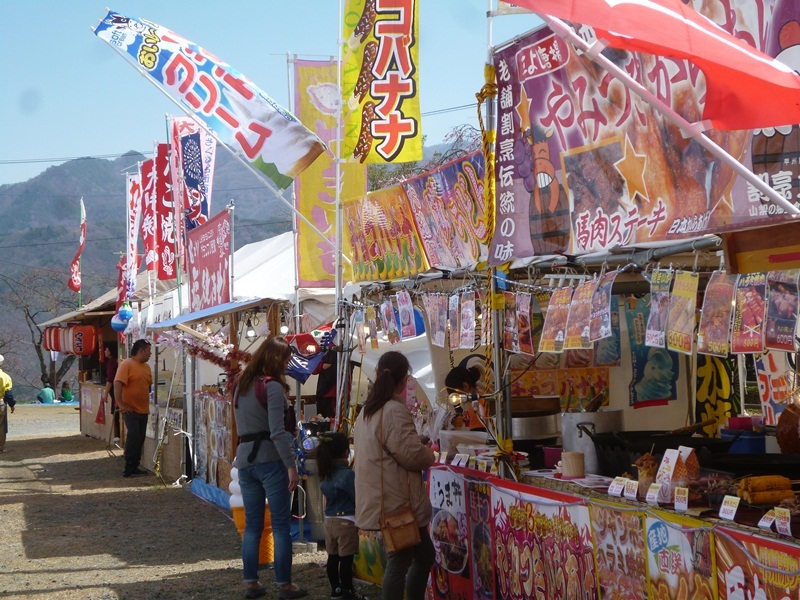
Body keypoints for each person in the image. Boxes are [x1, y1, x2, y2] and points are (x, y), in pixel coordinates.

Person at [354, 351, 435, 600]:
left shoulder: (367, 410)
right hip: (397, 501)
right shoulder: (392, 410)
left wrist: (414, 443)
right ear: (403, 382)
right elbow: (411, 456)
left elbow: (391, 448)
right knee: (401, 560)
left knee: (420, 556)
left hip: (383, 497)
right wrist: (429, 454)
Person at [233, 337, 307, 600]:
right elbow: (277, 432)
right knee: (280, 525)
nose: (287, 365)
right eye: (285, 360)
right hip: (270, 460)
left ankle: (251, 583)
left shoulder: (241, 385)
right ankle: (285, 584)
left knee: (253, 525)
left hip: (245, 462)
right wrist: (291, 466)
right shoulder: (272, 387)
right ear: (275, 359)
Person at [317, 432, 366, 600]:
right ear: (345, 452)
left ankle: (336, 590)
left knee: (333, 556)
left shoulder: (326, 473)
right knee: (346, 559)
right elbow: (356, 498)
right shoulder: (348, 475)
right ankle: (348, 591)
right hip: (346, 521)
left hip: (329, 520)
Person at [114, 339, 153, 478]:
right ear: (141, 350)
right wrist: (121, 404)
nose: (150, 354)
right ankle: (129, 466)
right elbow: (117, 383)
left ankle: (135, 465)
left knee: (140, 437)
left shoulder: (147, 367)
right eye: (148, 351)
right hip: (130, 409)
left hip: (143, 409)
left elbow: (148, 386)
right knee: (134, 435)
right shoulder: (127, 364)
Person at [445, 364, 487, 431]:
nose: (457, 401)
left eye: (456, 395)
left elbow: (478, 438)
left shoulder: (476, 407)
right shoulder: (483, 398)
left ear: (465, 386)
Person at [103, 346, 120, 442]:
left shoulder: (112, 362)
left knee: (116, 411)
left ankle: (118, 435)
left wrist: (105, 395)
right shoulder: (114, 361)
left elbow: (110, 380)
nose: (105, 350)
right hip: (116, 390)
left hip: (115, 390)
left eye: (106, 349)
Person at [0, 355, 15, 453]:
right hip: (0, 403)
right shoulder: (5, 377)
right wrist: (12, 405)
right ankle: (1, 447)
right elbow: (8, 394)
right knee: (1, 427)